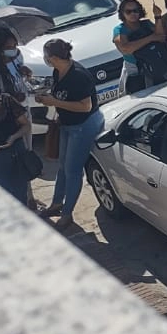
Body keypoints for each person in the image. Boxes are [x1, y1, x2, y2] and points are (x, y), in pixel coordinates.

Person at [40, 37, 103, 231]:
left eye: (47, 56)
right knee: (63, 167)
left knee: (73, 170)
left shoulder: (78, 75)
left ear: (54, 57)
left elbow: (85, 106)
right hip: (67, 124)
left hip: (83, 125)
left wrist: (54, 103)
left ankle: (67, 214)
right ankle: (57, 204)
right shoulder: (58, 72)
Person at [112, 0, 167, 92]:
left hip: (157, 68)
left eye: (135, 10)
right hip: (136, 74)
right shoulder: (119, 30)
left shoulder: (146, 24)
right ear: (122, 13)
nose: (133, 14)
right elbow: (125, 49)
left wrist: (158, 17)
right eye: (128, 11)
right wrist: (151, 38)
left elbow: (161, 37)